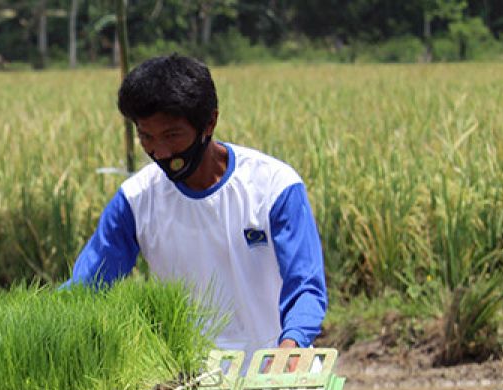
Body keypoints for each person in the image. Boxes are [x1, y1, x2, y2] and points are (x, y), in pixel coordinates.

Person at [66, 54, 327, 360]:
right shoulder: (136, 200)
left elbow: (306, 286)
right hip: (190, 379)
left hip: (273, 367)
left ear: (210, 122)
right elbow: (87, 288)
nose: (160, 151)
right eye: (146, 137)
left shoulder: (273, 186)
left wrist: (290, 348)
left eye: (172, 135)